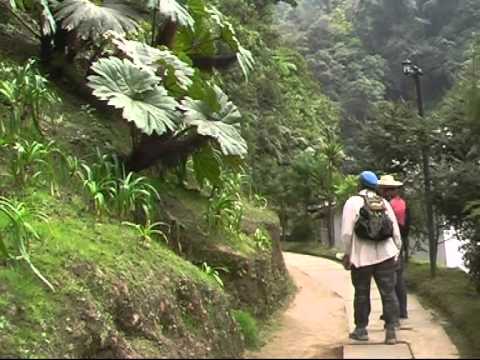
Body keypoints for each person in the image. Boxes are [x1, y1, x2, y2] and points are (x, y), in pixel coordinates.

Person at [341, 171, 402, 345]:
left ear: (359, 185)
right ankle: (391, 332)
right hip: (386, 256)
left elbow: (346, 233)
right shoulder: (383, 202)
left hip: (361, 258)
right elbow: (395, 231)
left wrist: (347, 254)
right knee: (388, 293)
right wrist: (396, 251)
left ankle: (361, 330)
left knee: (361, 293)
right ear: (375, 186)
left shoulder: (352, 202)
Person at [378, 174, 411, 320]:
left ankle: (394, 311)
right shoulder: (401, 202)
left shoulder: (390, 204)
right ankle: (401, 310)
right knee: (398, 277)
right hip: (399, 241)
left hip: (392, 243)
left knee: (391, 278)